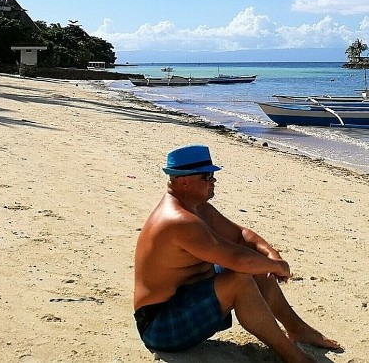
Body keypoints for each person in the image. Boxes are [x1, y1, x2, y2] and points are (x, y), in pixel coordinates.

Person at [134, 144, 341, 363]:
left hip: (185, 300)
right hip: (159, 326)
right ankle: (293, 357)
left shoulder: (197, 207)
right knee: (241, 279)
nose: (214, 180)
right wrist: (278, 267)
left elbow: (241, 235)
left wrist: (271, 255)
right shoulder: (178, 220)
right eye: (207, 176)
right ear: (184, 181)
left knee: (258, 267)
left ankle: (297, 329)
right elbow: (237, 259)